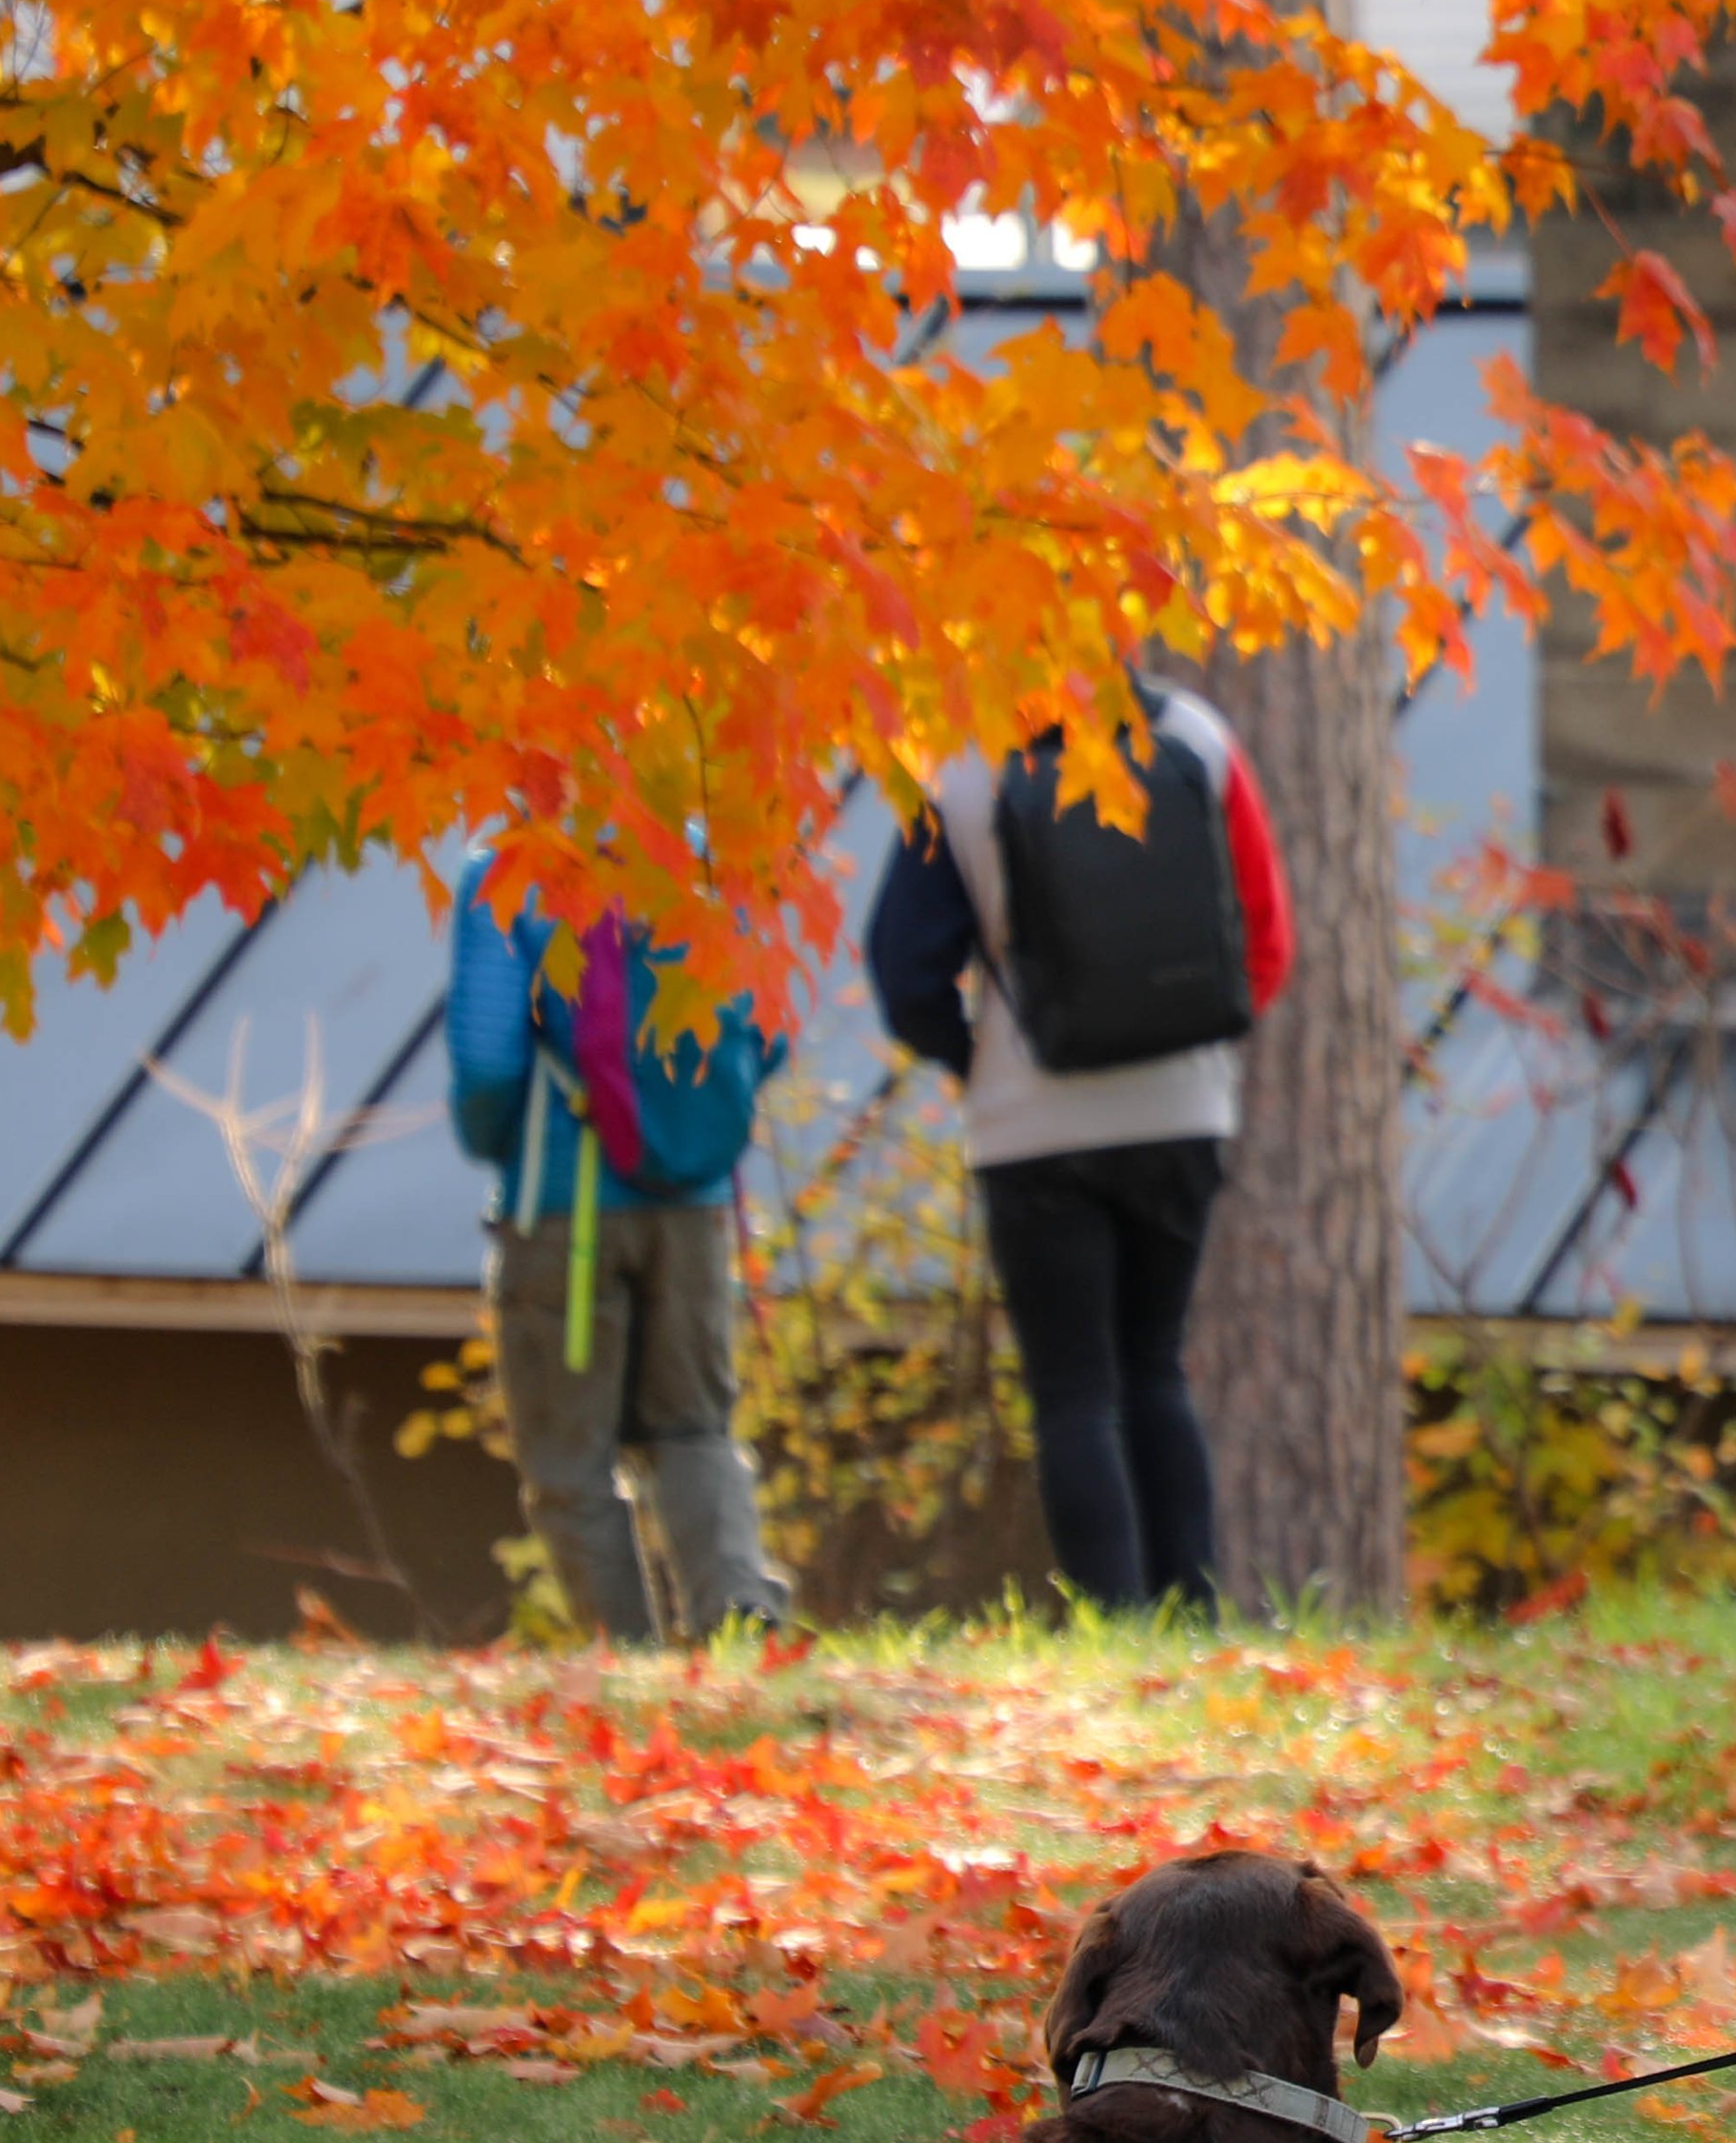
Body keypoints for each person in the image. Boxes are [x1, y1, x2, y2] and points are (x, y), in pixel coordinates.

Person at [864, 680, 1294, 1617]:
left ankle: (1116, 1623)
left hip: (1033, 1122)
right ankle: (1194, 1618)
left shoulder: (962, 760)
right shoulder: (1198, 735)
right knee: (1155, 1364)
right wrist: (1185, 1044)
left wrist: (975, 1056)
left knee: (1074, 1390)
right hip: (1182, 1110)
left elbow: (904, 970)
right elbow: (1266, 940)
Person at [443, 870, 796, 1641]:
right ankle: (737, 1619)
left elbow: (487, 1061)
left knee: (570, 1460)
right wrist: (686, 1130)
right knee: (696, 1427)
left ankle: (626, 1659)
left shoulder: (511, 871)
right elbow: (767, 1031)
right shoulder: (710, 853)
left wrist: (502, 1141)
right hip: (695, 1208)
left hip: (563, 1206)